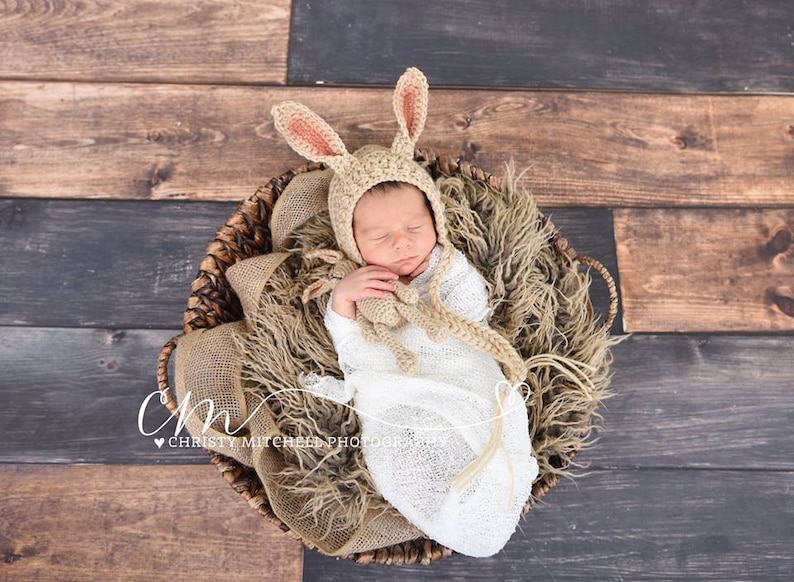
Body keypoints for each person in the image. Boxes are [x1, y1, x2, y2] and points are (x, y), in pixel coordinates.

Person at [271, 67, 538, 557]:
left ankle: (483, 489)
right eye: (379, 238)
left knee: (485, 433)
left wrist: (422, 293)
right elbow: (350, 346)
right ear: (352, 245)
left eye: (416, 225)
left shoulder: (447, 271)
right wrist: (344, 298)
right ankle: (439, 499)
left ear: (436, 220)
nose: (403, 242)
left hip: (461, 385)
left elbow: (471, 312)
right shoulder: (360, 287)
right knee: (397, 453)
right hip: (396, 397)